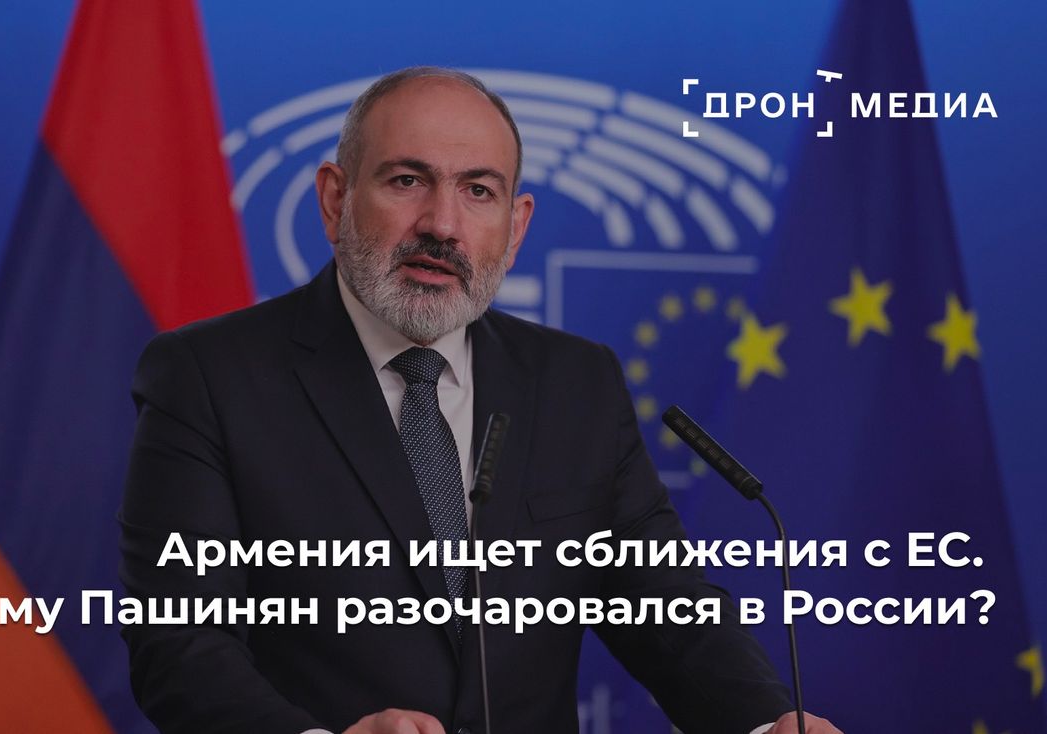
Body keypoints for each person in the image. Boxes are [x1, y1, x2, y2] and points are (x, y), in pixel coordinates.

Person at [119, 66, 841, 734]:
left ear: (516, 226)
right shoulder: (208, 377)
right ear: (336, 199)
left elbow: (662, 606)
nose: (442, 224)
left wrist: (766, 723)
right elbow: (181, 646)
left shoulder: (575, 383)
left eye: (478, 191)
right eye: (407, 180)